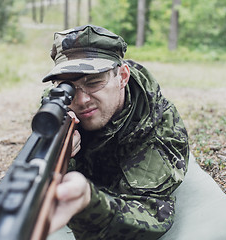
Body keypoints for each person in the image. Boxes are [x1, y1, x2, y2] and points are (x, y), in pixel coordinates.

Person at [42, 25, 189, 240]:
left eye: (94, 83)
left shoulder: (157, 129)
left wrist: (87, 204)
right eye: (69, 88)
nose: (81, 100)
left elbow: (150, 212)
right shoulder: (60, 103)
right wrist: (63, 153)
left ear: (122, 76)